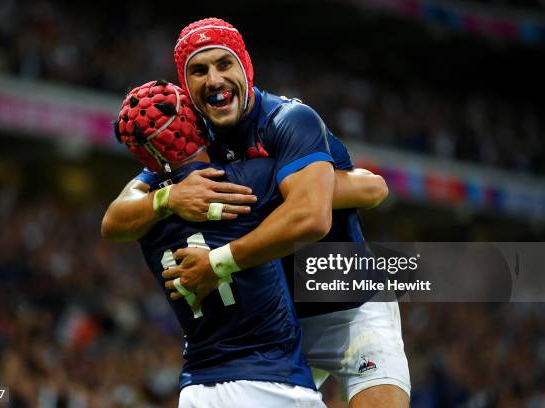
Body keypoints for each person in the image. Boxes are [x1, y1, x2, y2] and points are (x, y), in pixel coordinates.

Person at [102, 18, 409, 407]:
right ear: (185, 83)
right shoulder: (193, 134)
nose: (213, 79)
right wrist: (167, 199)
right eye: (198, 70)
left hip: (351, 305)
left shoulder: (288, 120)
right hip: (285, 325)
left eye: (223, 64)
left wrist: (221, 258)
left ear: (245, 67)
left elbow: (349, 198)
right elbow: (115, 220)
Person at [113, 79, 326, 407]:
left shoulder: (143, 215)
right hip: (270, 382)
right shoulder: (247, 179)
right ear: (192, 120)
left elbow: (111, 222)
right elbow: (345, 194)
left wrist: (166, 194)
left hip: (197, 389)